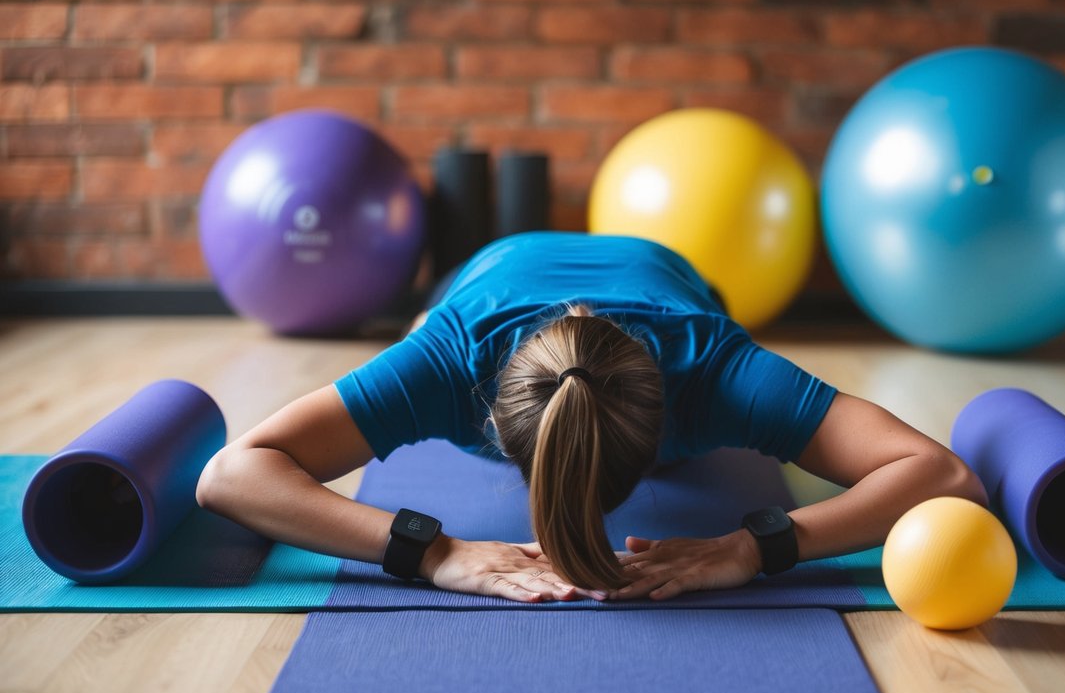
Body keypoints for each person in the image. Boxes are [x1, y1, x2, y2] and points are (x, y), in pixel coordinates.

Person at [197, 232, 986, 603]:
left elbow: (942, 474)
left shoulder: (713, 367)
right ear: (493, 428)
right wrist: (428, 552)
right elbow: (233, 474)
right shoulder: (447, 358)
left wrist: (758, 546)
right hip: (490, 271)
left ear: (667, 438)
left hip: (669, 272)